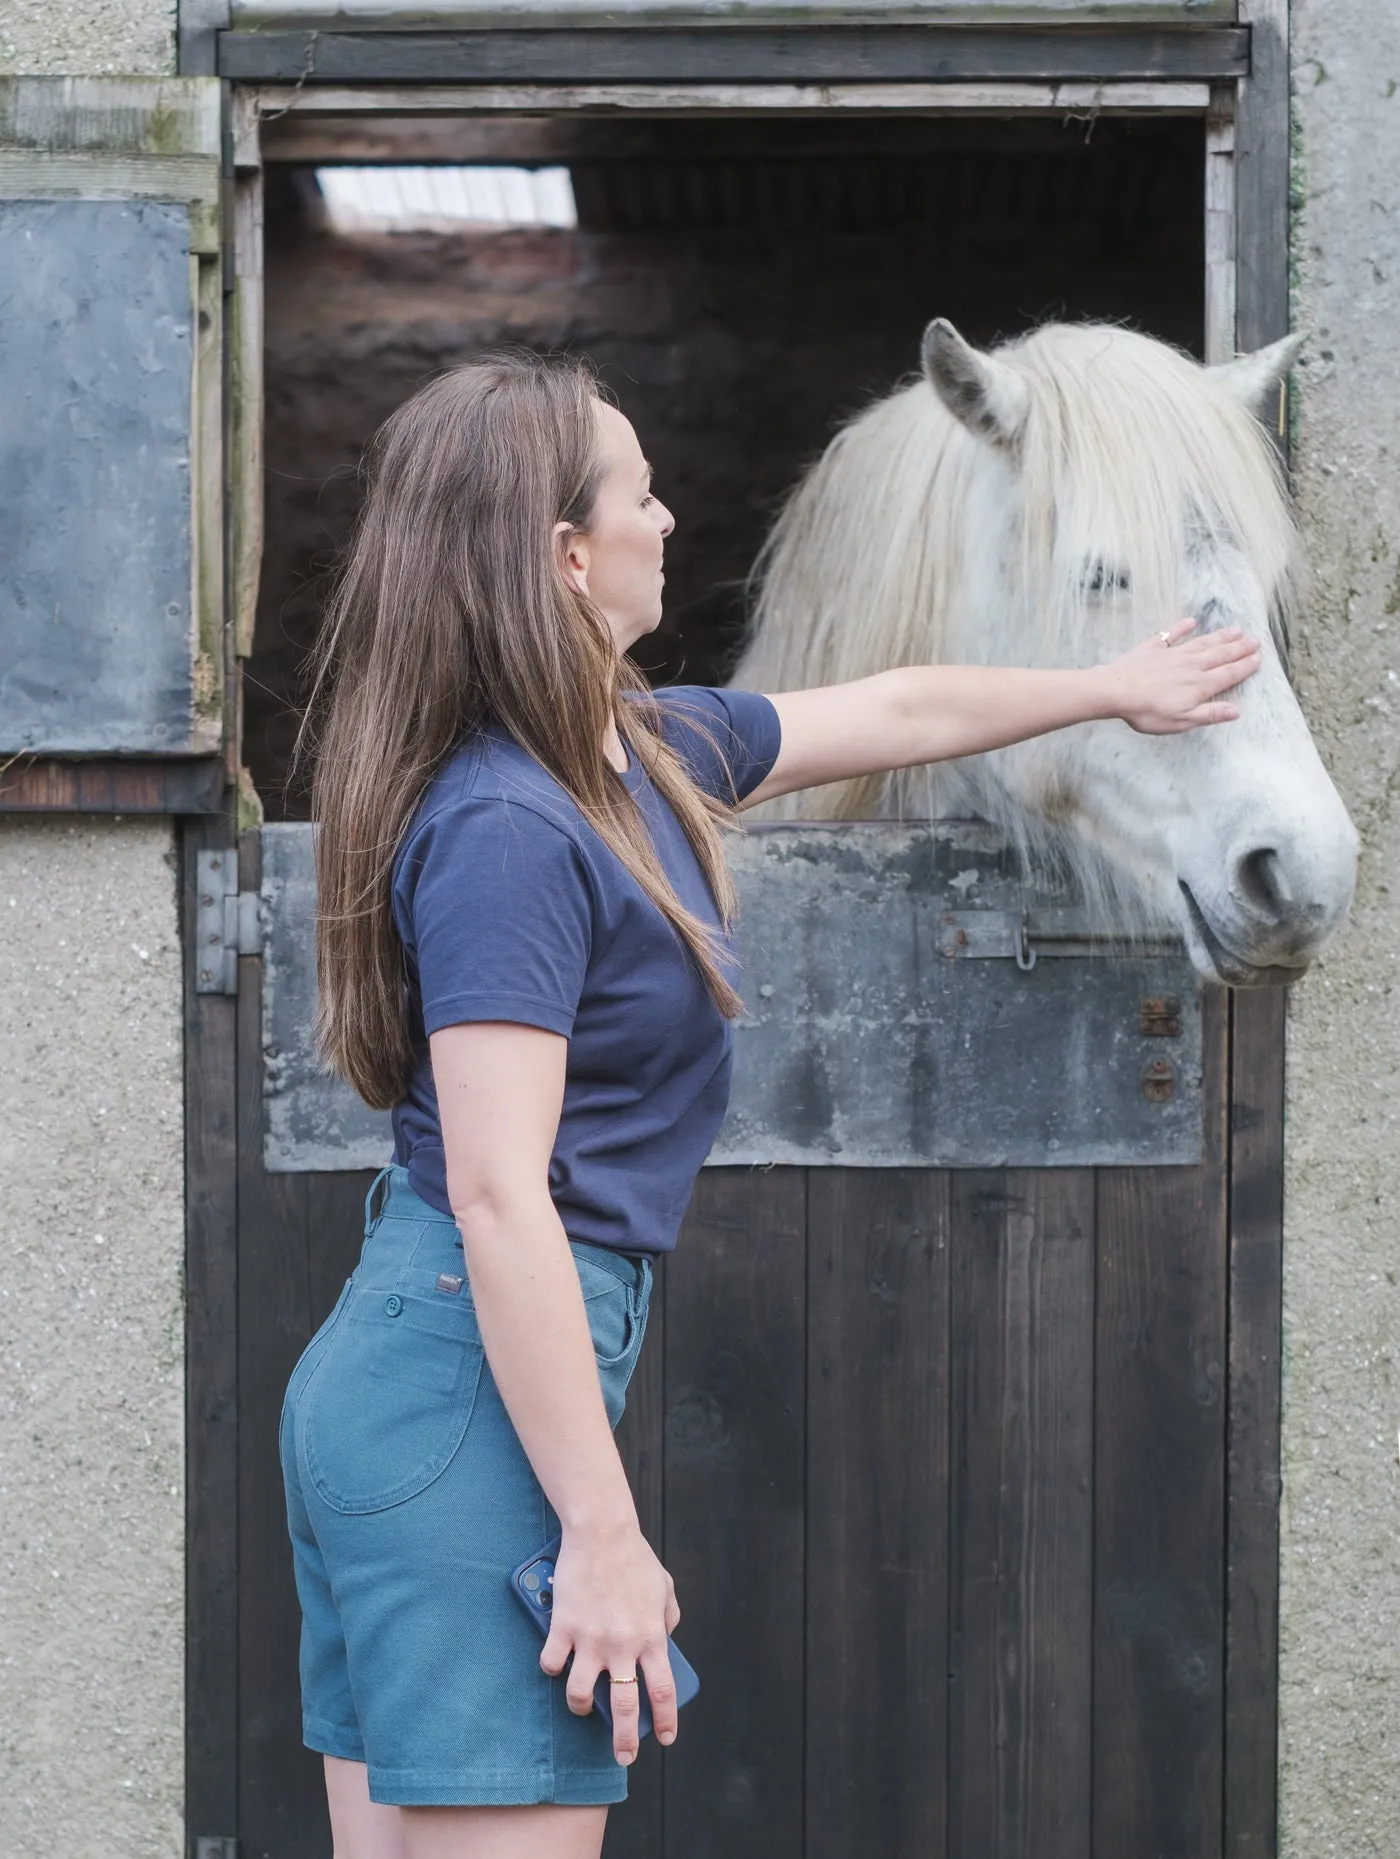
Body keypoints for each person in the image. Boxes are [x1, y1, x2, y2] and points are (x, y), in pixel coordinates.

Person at [281, 351, 1260, 1859]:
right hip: (460, 1392)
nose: (670, 518)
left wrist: (1113, 685)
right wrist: (603, 1533)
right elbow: (496, 1192)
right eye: (640, 491)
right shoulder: (510, 829)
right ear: (563, 555)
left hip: (426, 1384)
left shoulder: (637, 756)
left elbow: (899, 703)